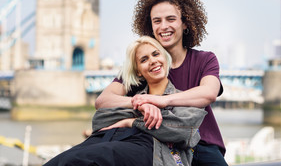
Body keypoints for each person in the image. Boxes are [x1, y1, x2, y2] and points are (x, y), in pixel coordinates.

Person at [95, 0, 227, 165]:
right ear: (151, 27)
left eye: (171, 19)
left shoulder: (205, 59)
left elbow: (208, 92)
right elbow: (103, 101)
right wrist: (140, 104)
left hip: (200, 143)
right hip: (154, 142)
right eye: (157, 21)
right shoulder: (142, 65)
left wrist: (162, 100)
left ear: (185, 23)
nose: (163, 26)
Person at [44, 36, 207, 166]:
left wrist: (131, 121)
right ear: (139, 72)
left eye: (156, 54)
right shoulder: (132, 97)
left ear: (164, 58)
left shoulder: (181, 97)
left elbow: (186, 131)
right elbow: (100, 120)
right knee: (58, 162)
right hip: (109, 138)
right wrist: (141, 104)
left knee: (84, 160)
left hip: (149, 145)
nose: (152, 61)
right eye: (144, 59)